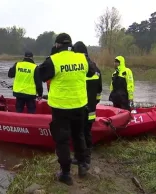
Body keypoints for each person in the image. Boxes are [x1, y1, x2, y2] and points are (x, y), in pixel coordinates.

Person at [38, 33, 96, 185]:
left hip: (61, 107)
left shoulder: (54, 60)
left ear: (57, 45)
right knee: (79, 135)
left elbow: (40, 75)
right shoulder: (82, 58)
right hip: (79, 105)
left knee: (62, 140)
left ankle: (65, 173)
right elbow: (92, 71)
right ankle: (83, 165)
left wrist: (51, 56)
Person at [71, 41, 103, 167]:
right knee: (87, 132)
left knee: (78, 134)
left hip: (79, 106)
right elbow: (99, 90)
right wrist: (95, 102)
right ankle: (87, 157)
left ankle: (80, 158)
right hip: (91, 108)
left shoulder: (79, 68)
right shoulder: (96, 68)